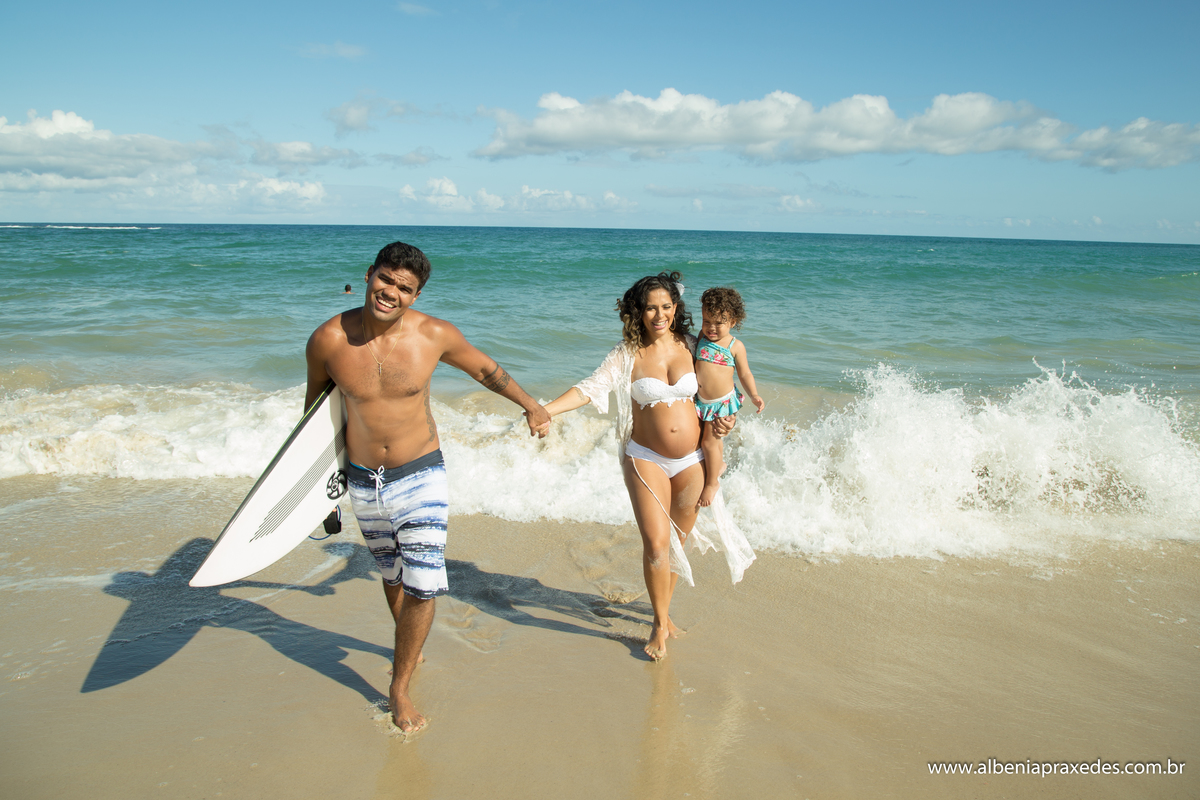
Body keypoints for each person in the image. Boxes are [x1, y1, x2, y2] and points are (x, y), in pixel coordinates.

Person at [305, 241, 550, 733]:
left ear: (415, 296)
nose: (390, 292)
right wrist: (319, 496)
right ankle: (408, 649)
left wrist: (531, 405)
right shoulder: (328, 340)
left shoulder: (434, 335)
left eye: (404, 288)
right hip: (363, 480)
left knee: (423, 581)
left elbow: (485, 369)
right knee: (392, 575)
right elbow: (314, 416)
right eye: (386, 279)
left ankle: (399, 688)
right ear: (369, 274)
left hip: (421, 472)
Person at [538, 272, 754, 662]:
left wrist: (729, 418)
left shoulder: (694, 344)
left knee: (676, 545)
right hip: (645, 458)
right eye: (651, 308)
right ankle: (658, 623)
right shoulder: (627, 354)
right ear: (638, 310)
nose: (659, 315)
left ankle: (665, 614)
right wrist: (546, 410)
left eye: (666, 306)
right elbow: (590, 388)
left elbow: (721, 386)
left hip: (693, 461)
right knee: (656, 545)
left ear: (676, 308)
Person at [694, 287, 765, 507]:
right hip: (702, 401)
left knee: (709, 442)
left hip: (721, 402)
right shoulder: (702, 338)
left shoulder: (735, 346)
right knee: (709, 442)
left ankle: (712, 483)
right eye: (706, 321)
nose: (711, 327)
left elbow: (745, 373)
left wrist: (754, 395)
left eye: (718, 323)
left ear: (732, 321)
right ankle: (719, 464)